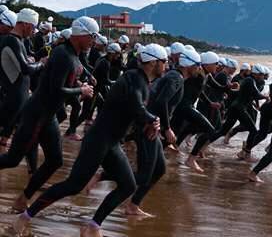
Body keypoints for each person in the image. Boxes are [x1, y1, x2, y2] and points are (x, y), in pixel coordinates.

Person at [14, 44, 164, 237]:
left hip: (111, 142)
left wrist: (149, 123)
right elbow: (136, 105)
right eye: (164, 62)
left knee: (128, 185)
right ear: (153, 62)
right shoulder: (133, 79)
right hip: (98, 139)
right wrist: (152, 119)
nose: (166, 66)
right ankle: (25, 216)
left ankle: (93, 226)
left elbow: (131, 112)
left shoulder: (142, 81)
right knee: (73, 185)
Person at [0, 16, 97, 212]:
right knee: (12, 159)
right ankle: (23, 198)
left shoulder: (74, 54)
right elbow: (56, 89)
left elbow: (63, 80)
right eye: (92, 37)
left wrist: (78, 84)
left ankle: (23, 198)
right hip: (37, 113)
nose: (94, 41)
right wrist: (81, 91)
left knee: (55, 160)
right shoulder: (63, 54)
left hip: (48, 114)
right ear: (81, 35)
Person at [0, 9, 45, 175]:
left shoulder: (18, 41)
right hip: (13, 98)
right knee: (27, 137)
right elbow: (25, 68)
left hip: (20, 97)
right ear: (25, 24)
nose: (33, 31)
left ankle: (33, 172)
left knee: (31, 137)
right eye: (32, 27)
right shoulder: (12, 40)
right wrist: (42, 63)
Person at [210, 64, 269, 161]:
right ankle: (246, 153)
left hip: (237, 107)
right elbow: (256, 94)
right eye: (261, 74)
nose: (263, 76)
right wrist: (266, 97)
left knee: (223, 131)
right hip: (239, 108)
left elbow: (247, 93)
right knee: (253, 131)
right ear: (256, 74)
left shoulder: (249, 80)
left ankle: (203, 145)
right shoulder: (250, 80)